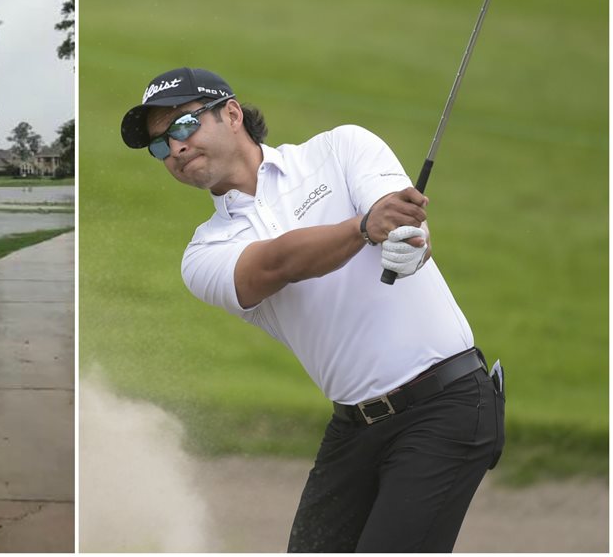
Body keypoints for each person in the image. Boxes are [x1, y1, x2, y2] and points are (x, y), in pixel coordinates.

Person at [120, 66, 505, 553]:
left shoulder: (339, 149)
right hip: (356, 426)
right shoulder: (203, 253)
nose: (173, 148)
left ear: (232, 114)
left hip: (447, 404)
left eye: (183, 125)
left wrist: (407, 237)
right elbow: (274, 265)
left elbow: (394, 211)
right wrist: (364, 228)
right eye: (159, 145)